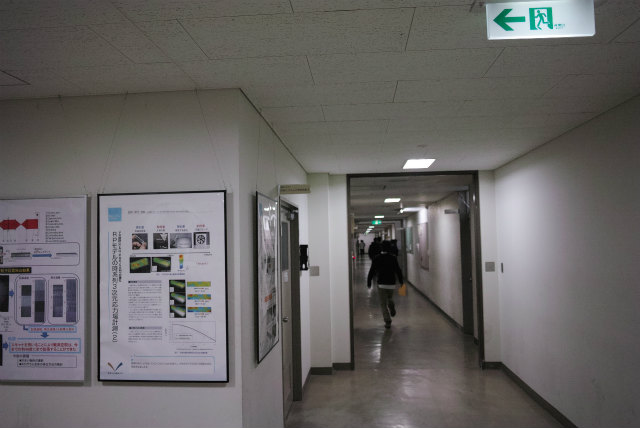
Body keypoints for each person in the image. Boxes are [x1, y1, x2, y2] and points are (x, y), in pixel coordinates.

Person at [367, 240, 404, 329]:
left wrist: (369, 281)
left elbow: (372, 270)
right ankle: (391, 304)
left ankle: (387, 321)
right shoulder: (393, 258)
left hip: (381, 283)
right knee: (389, 297)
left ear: (381, 248)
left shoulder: (377, 258)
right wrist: (401, 281)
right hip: (391, 283)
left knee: (383, 303)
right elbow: (398, 270)